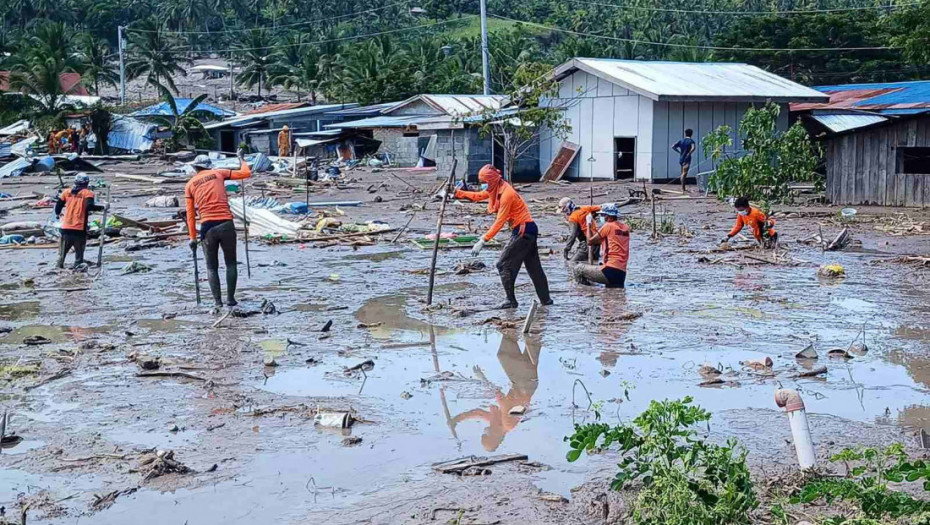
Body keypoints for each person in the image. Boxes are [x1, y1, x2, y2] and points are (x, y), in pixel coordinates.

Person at [455, 165, 552, 309]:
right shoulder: (496, 188)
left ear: (492, 180)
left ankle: (510, 300)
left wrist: (483, 240)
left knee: (503, 264)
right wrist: (458, 193)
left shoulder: (507, 194)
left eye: (485, 182)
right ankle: (546, 301)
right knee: (534, 268)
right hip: (528, 229)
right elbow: (479, 196)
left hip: (523, 231)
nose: (484, 185)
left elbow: (500, 221)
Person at [185, 153, 252, 309]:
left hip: (207, 227)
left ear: (195, 168)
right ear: (210, 166)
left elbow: (190, 215)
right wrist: (241, 159)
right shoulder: (219, 173)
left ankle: (217, 302)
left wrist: (192, 238)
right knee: (230, 263)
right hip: (226, 224)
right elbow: (246, 173)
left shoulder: (190, 185)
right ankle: (230, 299)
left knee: (211, 267)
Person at [572, 203, 631, 288]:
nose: (601, 217)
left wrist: (588, 224)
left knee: (578, 269)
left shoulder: (608, 226)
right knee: (611, 296)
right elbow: (603, 240)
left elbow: (589, 241)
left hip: (609, 270)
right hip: (622, 273)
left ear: (608, 216)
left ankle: (586, 293)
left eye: (603, 215)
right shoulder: (625, 228)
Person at [54, 173, 103, 269]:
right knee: (79, 255)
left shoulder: (66, 192)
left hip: (66, 228)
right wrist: (102, 207)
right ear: (87, 183)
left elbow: (58, 205)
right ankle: (78, 270)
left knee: (62, 254)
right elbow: (90, 207)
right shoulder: (87, 193)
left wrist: (58, 214)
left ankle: (58, 269)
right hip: (79, 229)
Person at [558, 197, 604, 262]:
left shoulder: (573, 217)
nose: (565, 214)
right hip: (597, 242)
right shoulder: (584, 208)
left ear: (567, 208)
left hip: (586, 243)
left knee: (571, 263)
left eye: (564, 211)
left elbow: (572, 236)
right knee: (593, 261)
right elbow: (601, 207)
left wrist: (567, 248)